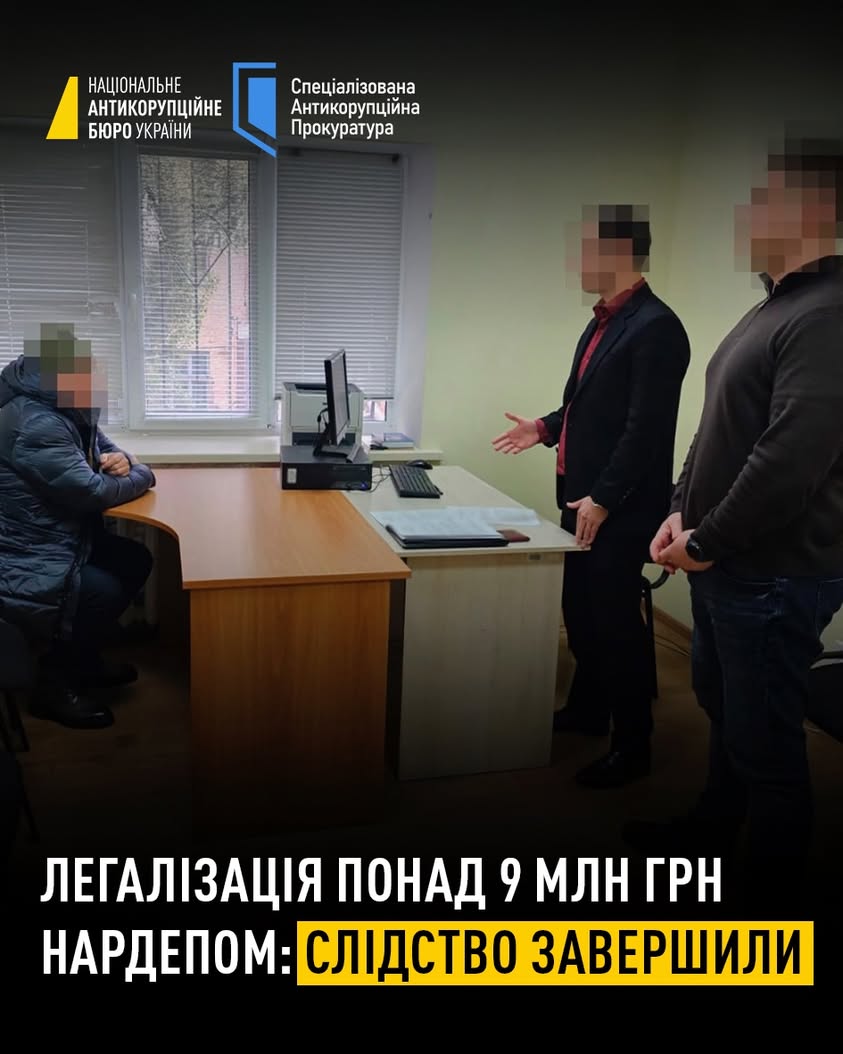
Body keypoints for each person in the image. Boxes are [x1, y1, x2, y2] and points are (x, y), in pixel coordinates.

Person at [628, 136, 843, 913]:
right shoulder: (773, 306)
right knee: (723, 708)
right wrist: (677, 508)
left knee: (765, 742)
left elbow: (789, 459)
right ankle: (713, 828)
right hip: (725, 562)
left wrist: (707, 539)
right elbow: (717, 427)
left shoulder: (826, 313)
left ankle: (770, 905)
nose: (745, 215)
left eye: (764, 200)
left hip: (772, 572)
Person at [492, 205, 690, 787]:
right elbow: (586, 406)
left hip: (619, 509)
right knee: (579, 612)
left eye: (585, 250)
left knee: (614, 625)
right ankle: (587, 710)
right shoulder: (602, 321)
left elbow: (644, 429)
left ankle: (633, 747)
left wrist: (604, 498)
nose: (576, 262)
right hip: (582, 500)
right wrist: (545, 428)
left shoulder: (657, 327)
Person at [0, 324, 156, 730]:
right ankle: (54, 686)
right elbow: (92, 492)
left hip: (56, 538)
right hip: (23, 554)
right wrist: (142, 472)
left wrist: (123, 460)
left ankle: (83, 661)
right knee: (101, 591)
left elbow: (105, 449)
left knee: (134, 559)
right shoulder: (33, 422)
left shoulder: (64, 404)